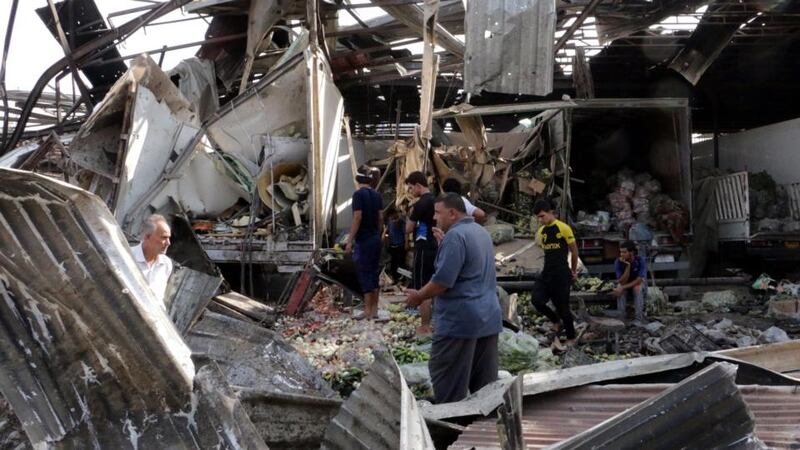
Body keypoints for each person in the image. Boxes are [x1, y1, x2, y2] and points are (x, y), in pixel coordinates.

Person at [406, 193, 502, 404]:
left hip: (460, 320)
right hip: (488, 318)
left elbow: (443, 281)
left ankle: (452, 430)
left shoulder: (455, 237)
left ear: (452, 213)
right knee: (485, 389)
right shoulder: (480, 232)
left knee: (447, 381)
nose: (434, 218)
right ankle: (482, 430)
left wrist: (418, 295)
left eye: (438, 213)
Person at [531, 199, 580, 346]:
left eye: (542, 216)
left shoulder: (563, 228)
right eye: (538, 217)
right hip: (547, 273)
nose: (540, 220)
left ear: (550, 212)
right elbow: (543, 250)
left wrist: (573, 271)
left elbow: (574, 252)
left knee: (563, 307)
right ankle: (555, 321)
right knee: (536, 300)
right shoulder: (541, 232)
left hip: (561, 274)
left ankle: (571, 337)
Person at [346, 165, 384, 319]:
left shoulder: (358, 195)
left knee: (365, 273)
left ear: (358, 179)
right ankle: (374, 310)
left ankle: (367, 311)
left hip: (364, 240)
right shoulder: (377, 195)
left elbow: (357, 217)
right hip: (375, 238)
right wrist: (378, 232)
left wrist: (349, 240)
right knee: (374, 273)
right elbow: (381, 217)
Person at [404, 171, 438, 332]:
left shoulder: (420, 204)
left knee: (422, 288)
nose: (411, 192)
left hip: (423, 248)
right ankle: (435, 323)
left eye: (411, 188)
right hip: (437, 246)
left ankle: (425, 326)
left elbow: (408, 228)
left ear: (418, 186)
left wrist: (411, 221)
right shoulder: (438, 201)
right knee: (435, 284)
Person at [130, 214, 174, 307]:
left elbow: (159, 299)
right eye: (164, 237)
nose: (168, 243)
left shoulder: (166, 264)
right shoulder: (127, 257)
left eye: (169, 238)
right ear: (147, 237)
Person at [613, 240, 648, 322]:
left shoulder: (640, 260)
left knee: (637, 289)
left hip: (637, 284)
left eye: (624, 252)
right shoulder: (618, 262)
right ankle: (621, 319)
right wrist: (627, 267)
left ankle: (638, 319)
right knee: (619, 290)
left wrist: (623, 287)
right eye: (621, 252)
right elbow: (621, 282)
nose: (621, 254)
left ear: (631, 252)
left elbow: (639, 280)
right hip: (626, 284)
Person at [385, 207, 406, 283]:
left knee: (401, 263)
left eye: (391, 216)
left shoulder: (401, 221)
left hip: (400, 245)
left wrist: (406, 243)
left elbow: (405, 232)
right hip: (392, 245)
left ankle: (403, 279)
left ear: (394, 214)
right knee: (393, 264)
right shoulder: (390, 221)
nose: (390, 218)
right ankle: (395, 278)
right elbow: (387, 231)